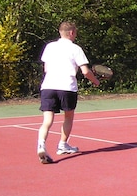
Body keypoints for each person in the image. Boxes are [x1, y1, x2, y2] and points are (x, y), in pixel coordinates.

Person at [36, 21, 100, 164]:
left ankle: (41, 145)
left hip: (48, 86)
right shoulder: (76, 49)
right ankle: (62, 145)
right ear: (71, 33)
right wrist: (95, 81)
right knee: (68, 117)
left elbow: (46, 69)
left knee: (47, 121)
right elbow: (85, 71)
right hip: (67, 87)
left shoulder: (49, 47)